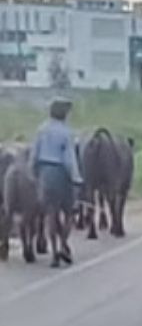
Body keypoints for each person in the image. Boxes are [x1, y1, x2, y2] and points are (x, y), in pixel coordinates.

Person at [31, 98, 80, 267]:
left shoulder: (41, 130)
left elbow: (34, 154)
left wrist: (34, 173)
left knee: (50, 214)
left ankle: (54, 251)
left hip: (45, 172)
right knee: (69, 212)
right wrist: (76, 178)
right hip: (61, 172)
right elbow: (69, 158)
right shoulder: (66, 132)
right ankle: (63, 243)